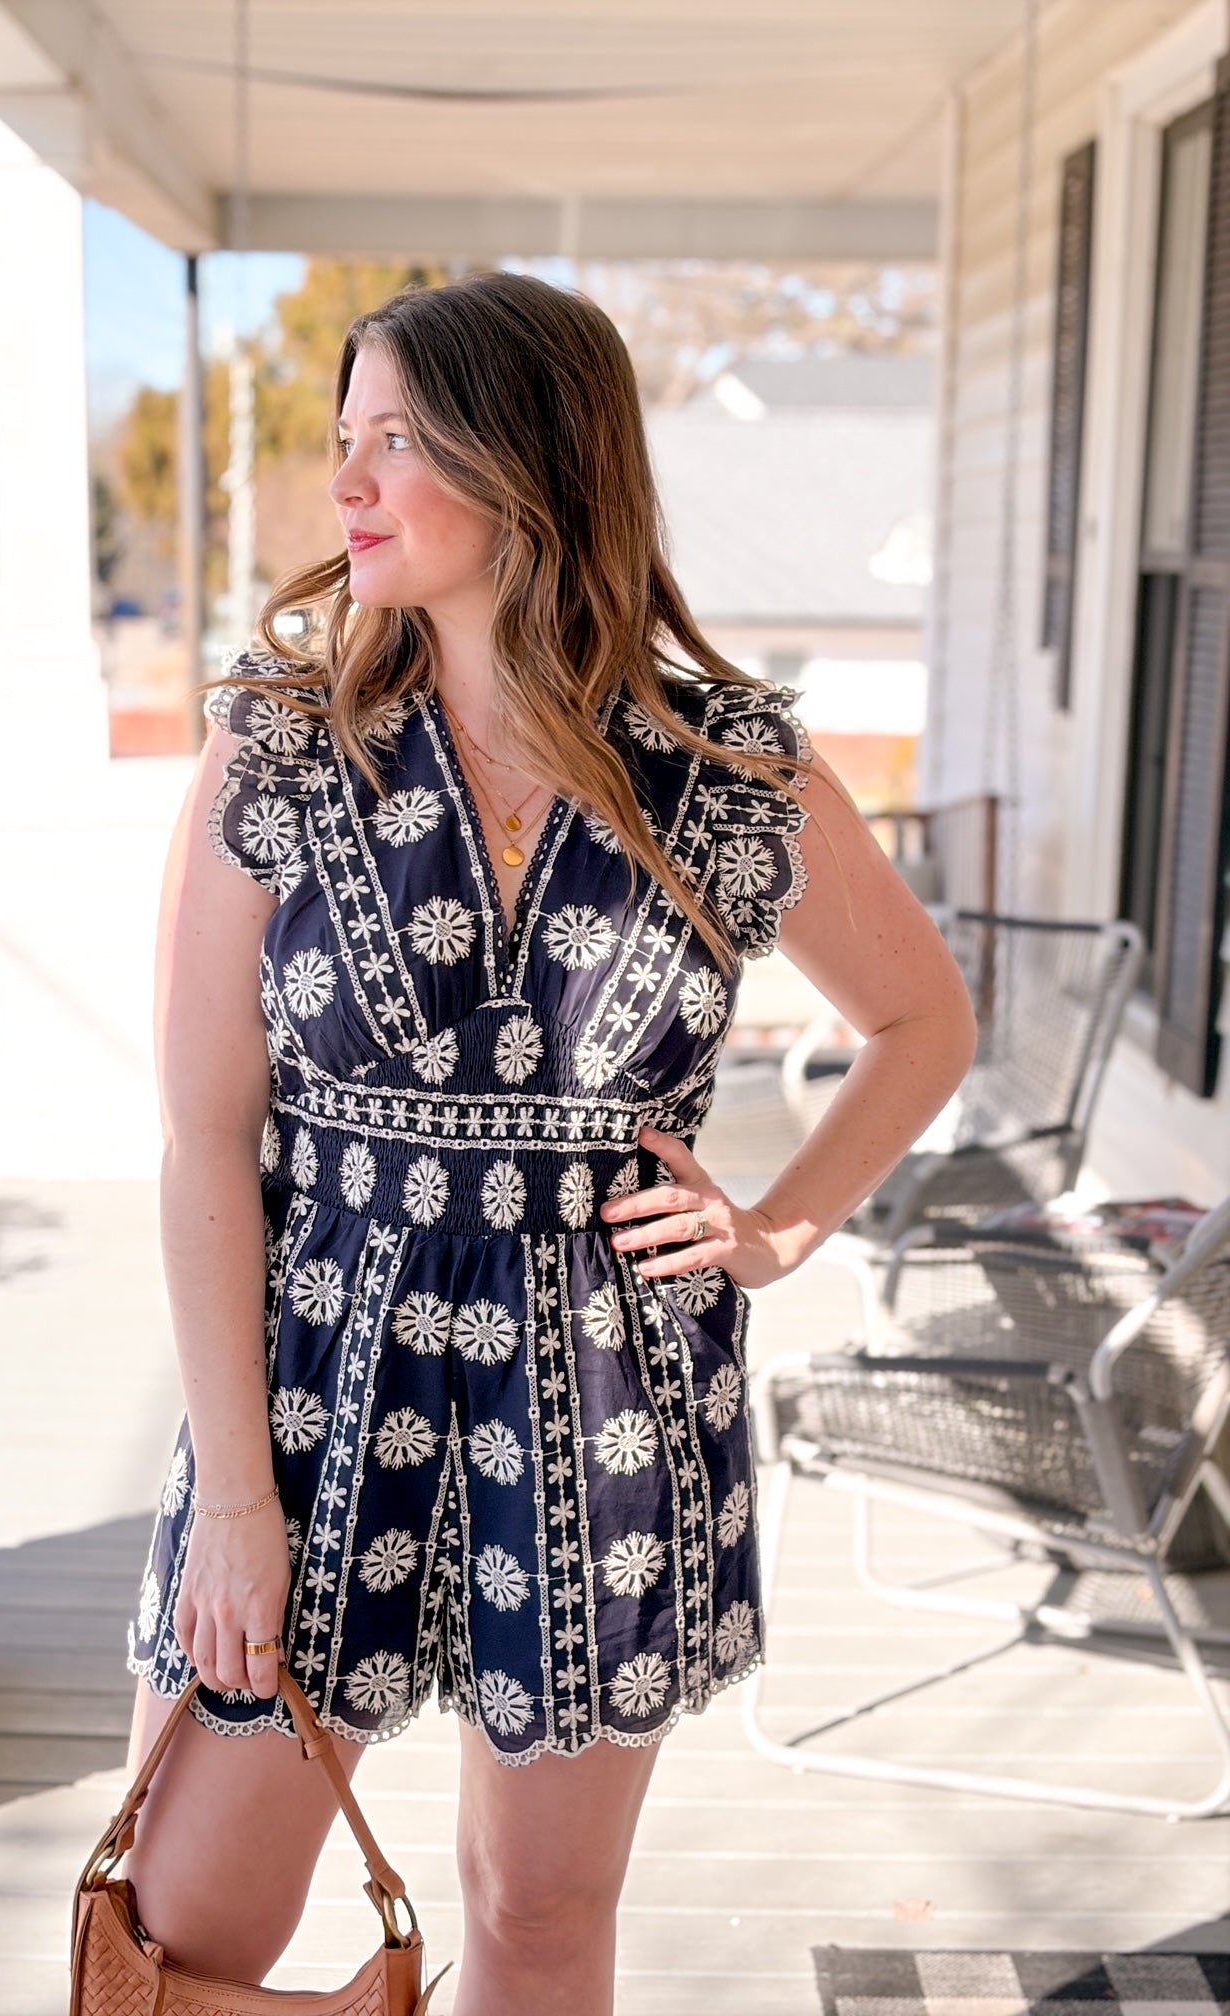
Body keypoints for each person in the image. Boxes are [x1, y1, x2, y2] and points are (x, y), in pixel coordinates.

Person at [122, 271, 977, 2015]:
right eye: (340, 444)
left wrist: (782, 1231)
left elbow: (924, 1022)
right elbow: (207, 1139)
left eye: (397, 444)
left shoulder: (725, 772)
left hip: (597, 1408)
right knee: (185, 1924)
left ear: (531, 468)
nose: (346, 487)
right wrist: (234, 1497)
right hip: (307, 1397)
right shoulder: (279, 748)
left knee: (533, 1919)